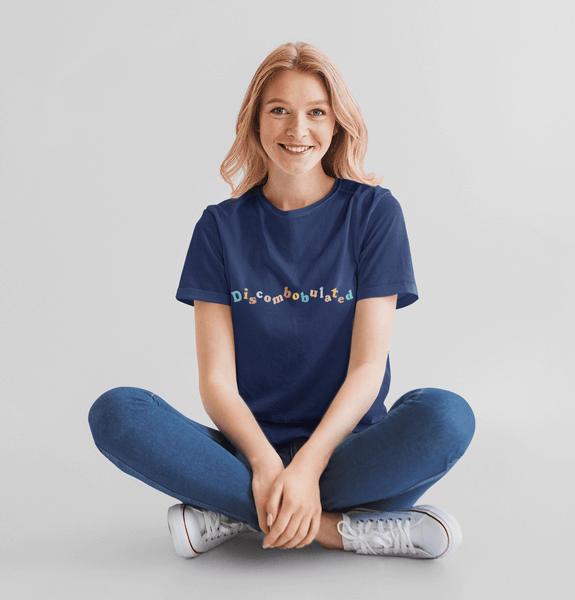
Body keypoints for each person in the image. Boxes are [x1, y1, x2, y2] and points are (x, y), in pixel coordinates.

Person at [88, 41, 476, 560]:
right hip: (247, 452)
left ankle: (235, 512)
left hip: (347, 450)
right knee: (117, 412)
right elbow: (216, 381)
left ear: (337, 123)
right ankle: (340, 529)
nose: (298, 130)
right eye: (279, 111)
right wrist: (269, 466)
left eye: (316, 112)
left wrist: (310, 464)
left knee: (446, 416)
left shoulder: (374, 214)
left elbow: (367, 367)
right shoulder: (219, 228)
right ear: (255, 122)